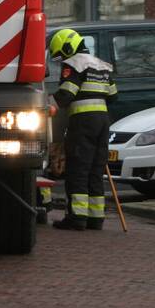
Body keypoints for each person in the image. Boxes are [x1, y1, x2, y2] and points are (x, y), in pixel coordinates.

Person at [48, 28, 118, 231]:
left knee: (78, 168)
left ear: (68, 47)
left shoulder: (73, 65)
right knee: (96, 169)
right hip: (103, 122)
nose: (61, 60)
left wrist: (49, 106)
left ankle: (77, 217)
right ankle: (96, 218)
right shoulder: (102, 65)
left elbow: (67, 93)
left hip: (83, 121)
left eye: (61, 54)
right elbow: (113, 95)